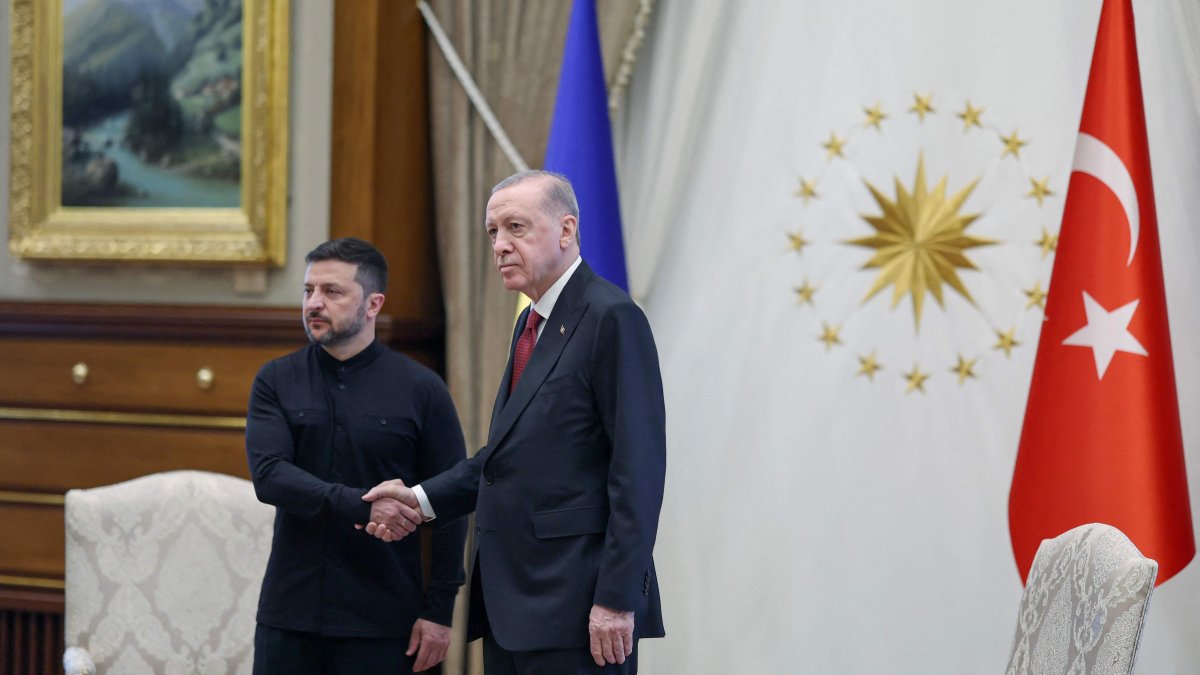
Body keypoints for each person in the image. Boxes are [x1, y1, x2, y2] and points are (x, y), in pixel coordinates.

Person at [362, 170, 667, 673]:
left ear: (566, 230)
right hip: (512, 606)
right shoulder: (531, 322)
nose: (500, 245)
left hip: (578, 606)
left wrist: (617, 598)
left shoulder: (611, 317)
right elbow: (507, 457)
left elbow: (638, 469)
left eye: (516, 228)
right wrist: (419, 499)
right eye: (492, 232)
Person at [245, 237, 467, 673]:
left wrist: (440, 610)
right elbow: (270, 477)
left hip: (385, 619)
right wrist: (364, 506)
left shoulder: (422, 389)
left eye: (332, 291)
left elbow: (451, 503)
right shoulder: (276, 379)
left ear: (373, 304)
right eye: (308, 290)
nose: (314, 303)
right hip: (290, 615)